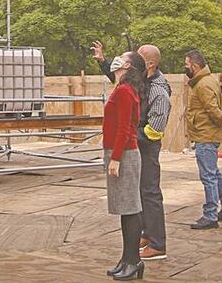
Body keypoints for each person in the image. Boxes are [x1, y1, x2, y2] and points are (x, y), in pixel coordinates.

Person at [93, 41, 171, 260]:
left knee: (149, 192)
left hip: (145, 146)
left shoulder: (158, 89)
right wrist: (102, 61)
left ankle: (157, 243)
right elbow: (117, 78)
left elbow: (156, 127)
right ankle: (146, 233)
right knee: (136, 195)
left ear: (149, 64)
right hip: (132, 143)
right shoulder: (138, 81)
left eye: (136, 59)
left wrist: (129, 138)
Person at [101, 51, 147, 280]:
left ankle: (134, 261)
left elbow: (125, 128)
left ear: (129, 66)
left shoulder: (125, 91)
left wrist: (116, 158)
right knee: (124, 208)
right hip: (119, 152)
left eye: (122, 57)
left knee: (130, 208)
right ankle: (126, 258)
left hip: (125, 153)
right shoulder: (121, 88)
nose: (117, 59)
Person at [184, 49, 222, 229]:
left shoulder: (203, 85)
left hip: (205, 135)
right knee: (213, 172)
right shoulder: (205, 81)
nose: (186, 68)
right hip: (205, 133)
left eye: (187, 65)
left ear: (195, 65)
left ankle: (210, 215)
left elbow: (213, 109)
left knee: (208, 176)